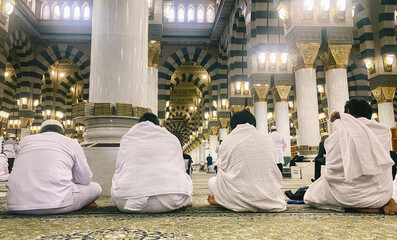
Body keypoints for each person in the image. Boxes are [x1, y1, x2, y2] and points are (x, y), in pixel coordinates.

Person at [304, 99, 397, 215]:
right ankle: (381, 201)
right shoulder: (383, 132)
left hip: (346, 198)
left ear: (347, 112)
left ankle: (356, 206)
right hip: (380, 196)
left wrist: (337, 121)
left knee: (310, 195)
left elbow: (331, 173)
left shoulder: (335, 138)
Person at [6, 120, 102, 214]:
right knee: (96, 187)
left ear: (40, 133)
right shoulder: (71, 142)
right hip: (56, 204)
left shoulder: (25, 141)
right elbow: (85, 179)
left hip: (16, 204)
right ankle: (81, 204)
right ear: (63, 134)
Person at [111, 113, 193, 213]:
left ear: (138, 124)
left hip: (127, 202)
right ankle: (183, 201)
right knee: (186, 178)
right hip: (170, 200)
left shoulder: (127, 138)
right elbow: (180, 170)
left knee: (117, 178)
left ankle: (137, 191)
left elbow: (119, 168)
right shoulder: (172, 139)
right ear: (159, 125)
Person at [207, 109, 286, 212]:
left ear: (232, 126)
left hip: (238, 196)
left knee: (212, 182)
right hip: (270, 197)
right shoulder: (267, 139)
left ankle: (224, 201)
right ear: (254, 124)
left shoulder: (227, 141)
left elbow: (221, 170)